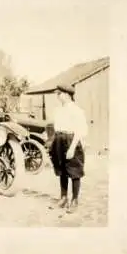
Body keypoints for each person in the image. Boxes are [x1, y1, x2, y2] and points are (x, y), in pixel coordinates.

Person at [49, 84, 88, 214]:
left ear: (66, 94)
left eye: (59, 94)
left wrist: (72, 148)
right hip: (59, 139)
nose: (57, 96)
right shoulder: (58, 110)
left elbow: (80, 130)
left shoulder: (76, 110)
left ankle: (75, 200)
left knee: (74, 170)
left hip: (71, 140)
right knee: (62, 169)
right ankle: (64, 197)